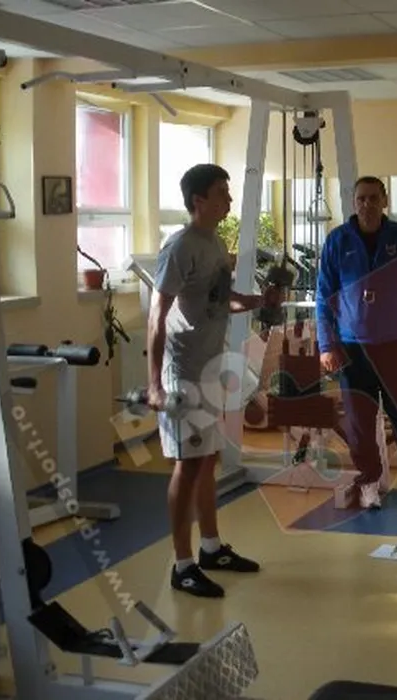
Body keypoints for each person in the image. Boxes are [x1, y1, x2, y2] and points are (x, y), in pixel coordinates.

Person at [149, 164, 278, 598]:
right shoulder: (180, 246)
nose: (229, 199)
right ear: (198, 200)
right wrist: (155, 384)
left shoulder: (215, 242)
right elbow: (157, 315)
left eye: (228, 191)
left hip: (209, 366)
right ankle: (182, 565)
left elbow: (220, 300)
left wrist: (257, 300)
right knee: (187, 465)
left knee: (207, 460)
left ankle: (211, 548)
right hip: (183, 371)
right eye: (222, 192)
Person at [315, 176, 397, 510]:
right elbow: (323, 296)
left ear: (384, 200)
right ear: (354, 202)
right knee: (360, 423)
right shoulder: (337, 241)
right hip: (351, 348)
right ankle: (369, 482)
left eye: (374, 198)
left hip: (393, 344)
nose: (367, 205)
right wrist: (326, 345)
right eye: (361, 198)